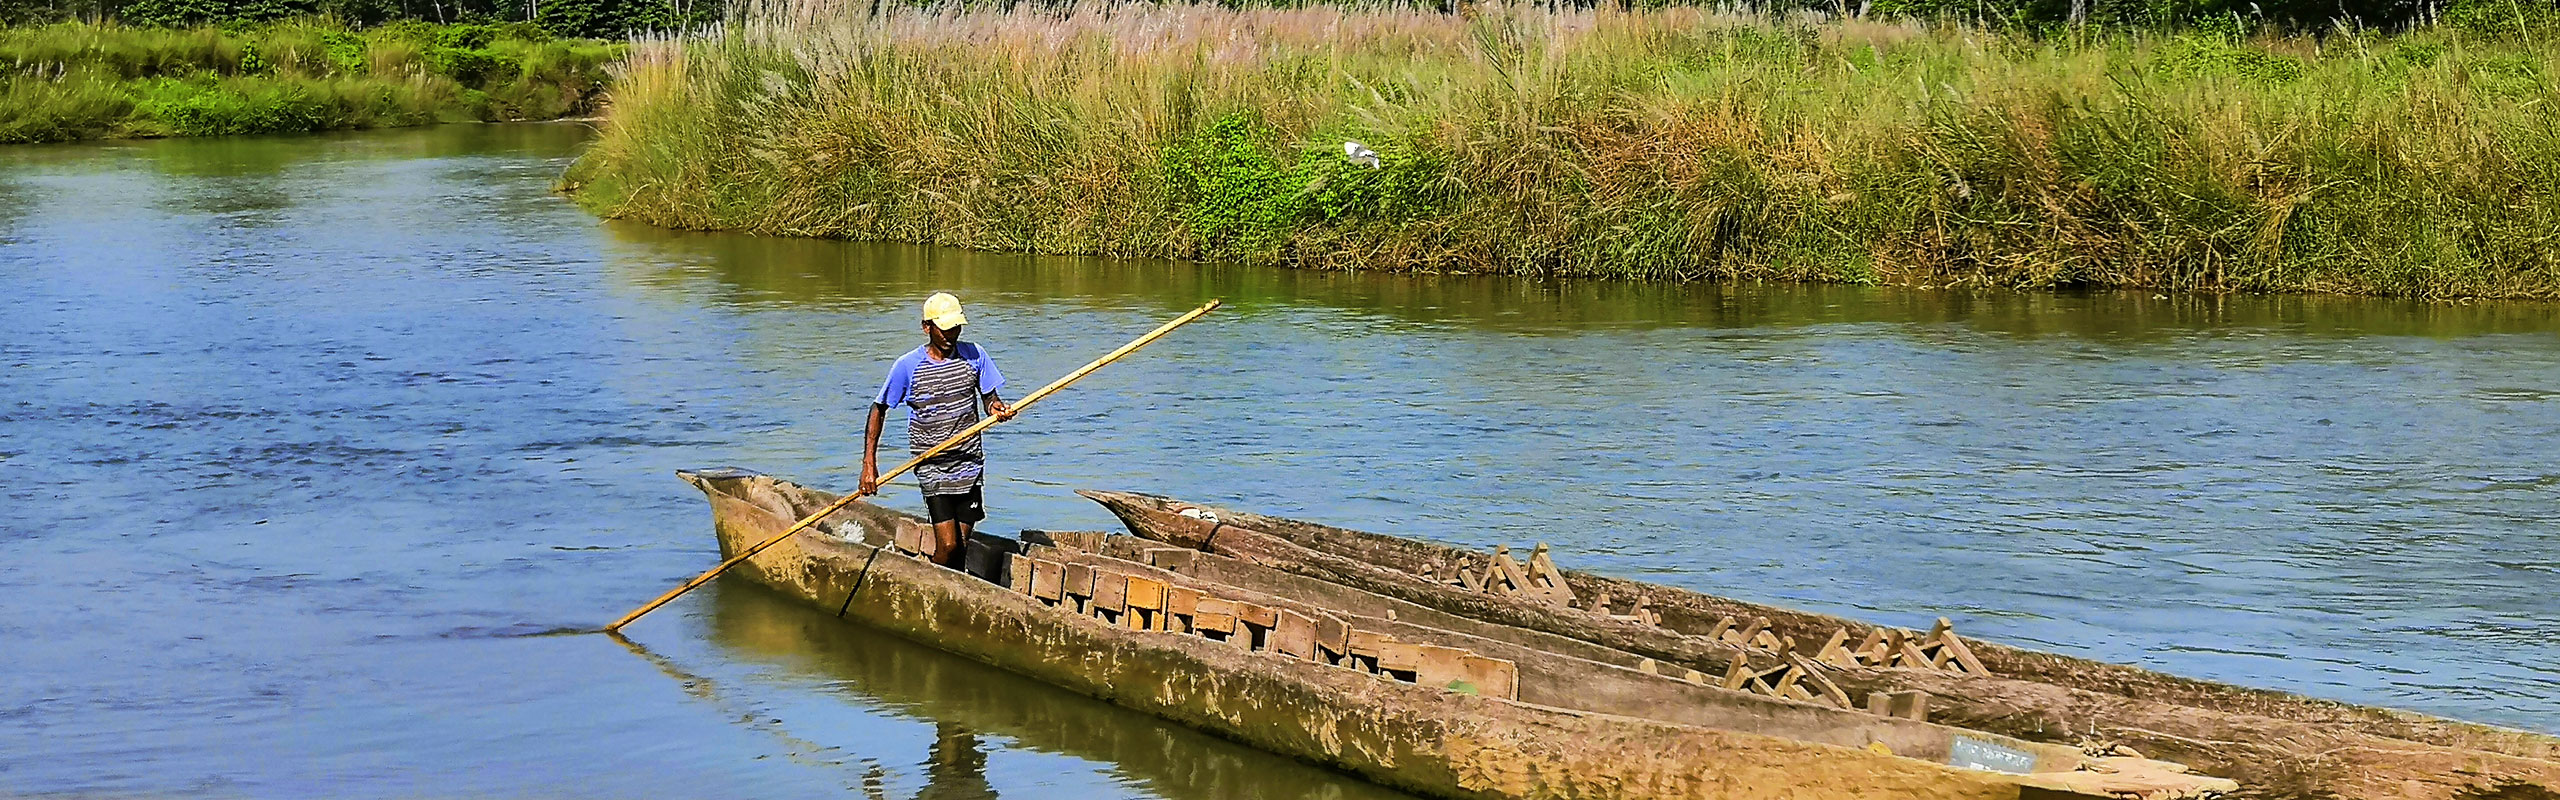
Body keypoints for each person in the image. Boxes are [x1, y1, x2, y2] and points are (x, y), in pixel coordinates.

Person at [862, 292, 1011, 570]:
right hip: (932, 464)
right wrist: (869, 464)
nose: (950, 335)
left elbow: (990, 398)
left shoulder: (975, 355)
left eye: (956, 328)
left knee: (962, 548)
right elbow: (878, 409)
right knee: (949, 545)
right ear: (927, 327)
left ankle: (950, 592)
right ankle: (925, 578)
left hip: (969, 463)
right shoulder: (908, 366)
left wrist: (996, 409)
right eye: (944, 329)